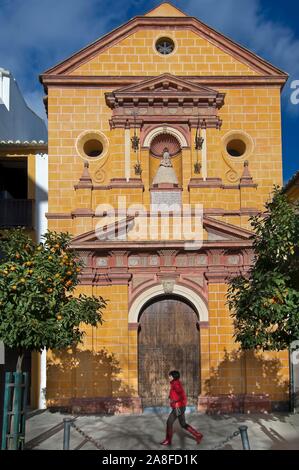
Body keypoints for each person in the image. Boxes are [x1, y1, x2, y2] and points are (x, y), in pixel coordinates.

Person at [160, 370, 203, 446]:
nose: (169, 377)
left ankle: (168, 440)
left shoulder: (176, 384)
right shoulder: (175, 383)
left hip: (178, 407)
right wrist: (171, 396)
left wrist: (174, 400)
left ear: (174, 377)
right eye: (169, 375)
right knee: (183, 424)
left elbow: (181, 395)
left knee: (169, 422)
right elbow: (177, 394)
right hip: (180, 406)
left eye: (170, 376)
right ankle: (198, 435)